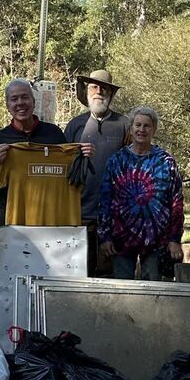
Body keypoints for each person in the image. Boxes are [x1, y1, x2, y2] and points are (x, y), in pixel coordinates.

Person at [0, 78, 93, 226]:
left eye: (25, 97)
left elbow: (74, 177)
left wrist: (81, 155)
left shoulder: (54, 134)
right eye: (14, 99)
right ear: (8, 106)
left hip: (52, 223)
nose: (20, 103)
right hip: (14, 226)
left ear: (33, 102)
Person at [98, 106, 184, 280]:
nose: (141, 130)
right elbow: (105, 200)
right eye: (138, 125)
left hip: (157, 240)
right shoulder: (117, 160)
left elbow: (176, 202)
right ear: (131, 129)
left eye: (147, 126)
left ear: (154, 130)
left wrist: (175, 239)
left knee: (154, 294)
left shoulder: (166, 162)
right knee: (123, 293)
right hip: (121, 239)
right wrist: (104, 236)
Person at [65, 69, 129, 274]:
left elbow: (134, 164)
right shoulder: (75, 125)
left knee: (109, 274)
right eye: (93, 86)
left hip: (114, 215)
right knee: (79, 271)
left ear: (110, 93)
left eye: (104, 88)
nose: (98, 91)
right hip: (79, 212)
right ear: (86, 91)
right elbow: (62, 165)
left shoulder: (124, 124)